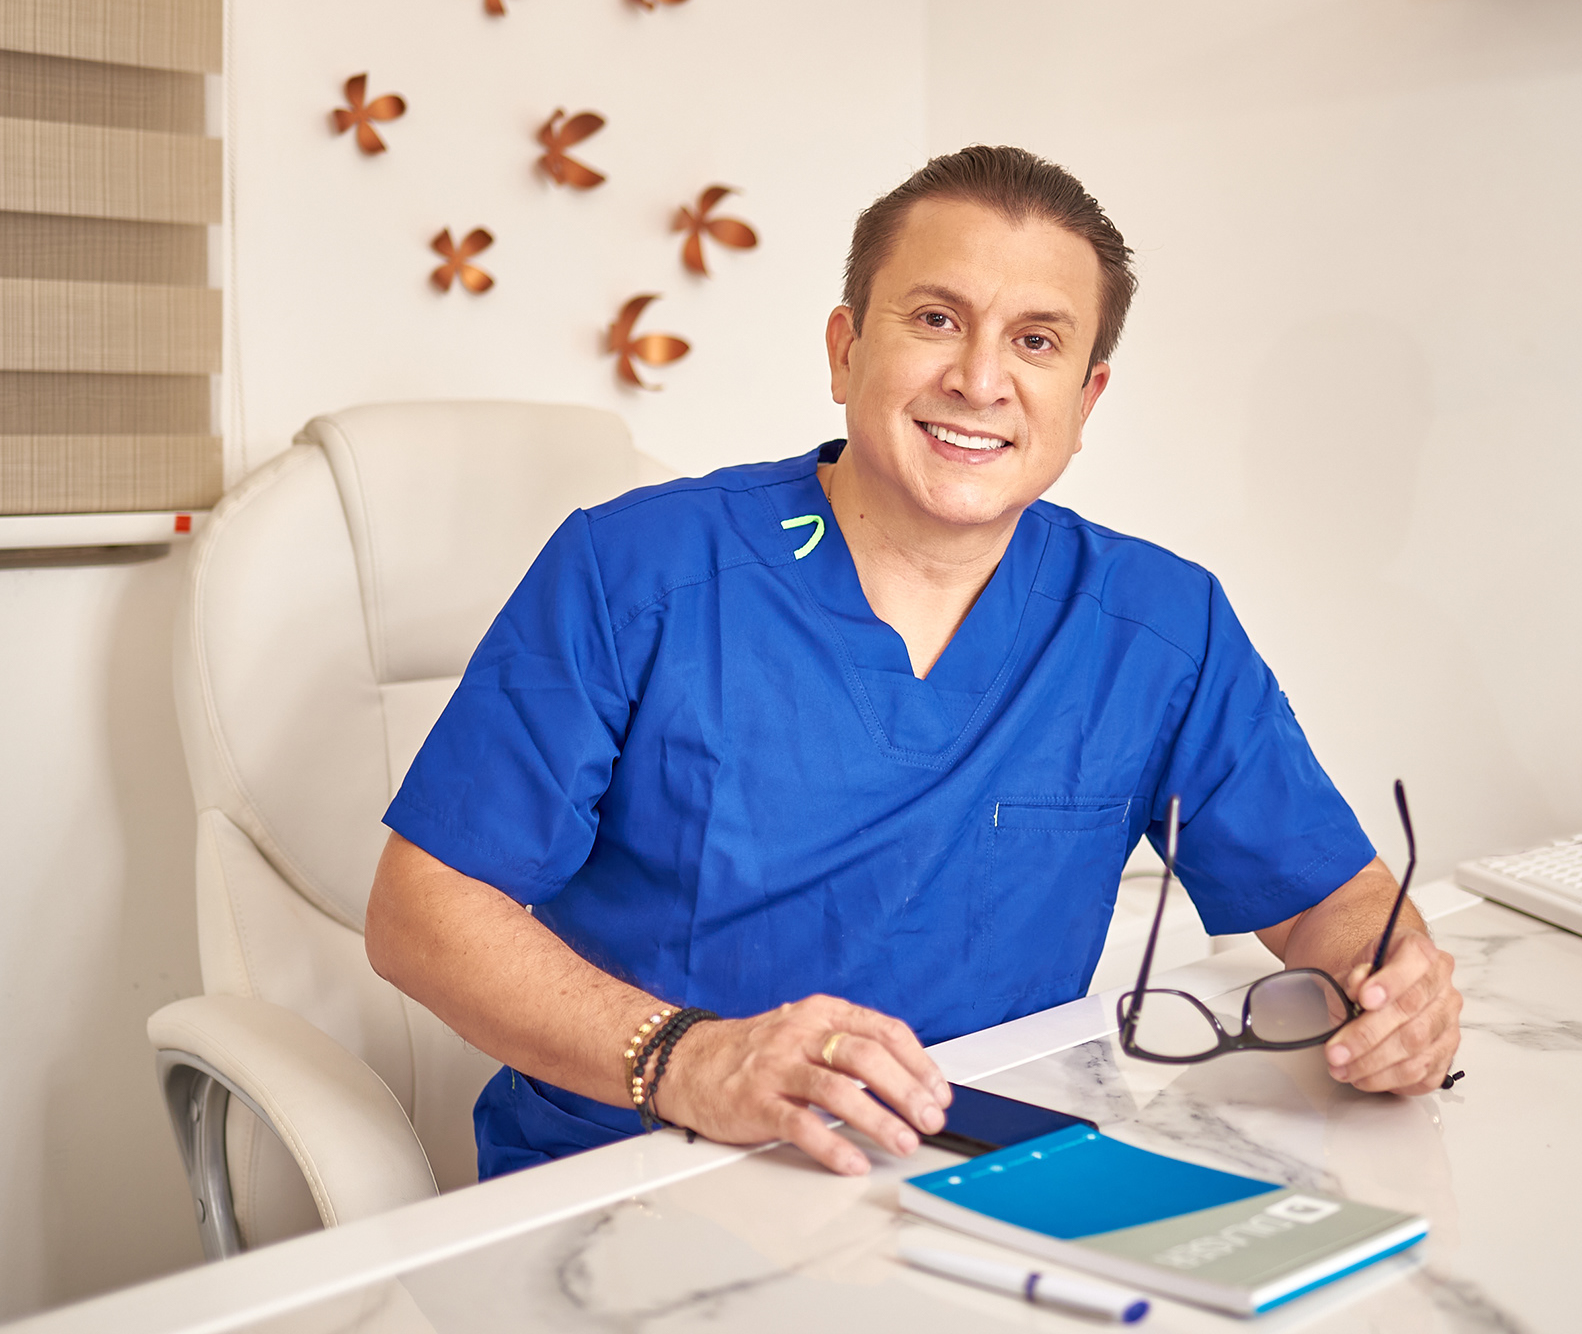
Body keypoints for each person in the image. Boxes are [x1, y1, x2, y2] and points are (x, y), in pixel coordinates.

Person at [364, 146, 1463, 1181]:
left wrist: (1394, 987)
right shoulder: (637, 570)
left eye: (1037, 342)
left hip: (986, 1172)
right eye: (937, 320)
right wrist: (690, 1060)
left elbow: (1333, 900)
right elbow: (422, 911)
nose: (981, 380)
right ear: (846, 351)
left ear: (1086, 402)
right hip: (643, 1175)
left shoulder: (1160, 625)